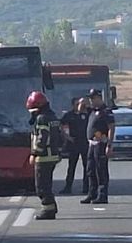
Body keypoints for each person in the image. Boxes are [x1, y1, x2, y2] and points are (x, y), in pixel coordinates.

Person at [26, 90, 62, 220]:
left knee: (41, 186)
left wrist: (34, 153)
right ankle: (51, 207)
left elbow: (42, 138)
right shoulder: (52, 117)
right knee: (47, 184)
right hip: (53, 155)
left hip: (44, 157)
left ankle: (48, 210)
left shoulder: (42, 119)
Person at [81, 89, 115, 205]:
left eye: (92, 98)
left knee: (101, 170)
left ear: (98, 98)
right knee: (90, 169)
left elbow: (111, 128)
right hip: (92, 144)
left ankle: (102, 195)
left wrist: (109, 145)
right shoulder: (92, 111)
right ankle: (92, 193)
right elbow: (80, 108)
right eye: (90, 98)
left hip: (101, 144)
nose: (90, 100)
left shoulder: (106, 111)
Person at [58, 97, 90, 195]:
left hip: (85, 143)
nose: (79, 106)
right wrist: (67, 137)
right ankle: (68, 187)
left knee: (87, 167)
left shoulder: (87, 114)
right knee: (71, 167)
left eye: (80, 104)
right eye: (77, 104)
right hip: (74, 143)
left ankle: (86, 187)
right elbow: (61, 126)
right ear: (73, 105)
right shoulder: (69, 115)